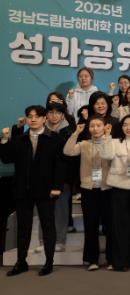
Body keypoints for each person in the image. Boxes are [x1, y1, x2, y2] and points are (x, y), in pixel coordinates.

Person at [2, 106, 66, 277]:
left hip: (46, 189)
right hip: (22, 190)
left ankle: (49, 261)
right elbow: (7, 158)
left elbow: (60, 166)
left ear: (44, 118)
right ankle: (21, 261)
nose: (33, 119)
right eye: (29, 116)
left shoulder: (55, 138)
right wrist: (5, 139)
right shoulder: (20, 139)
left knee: (48, 226)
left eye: (37, 116)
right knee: (23, 227)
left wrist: (57, 187)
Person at [64, 115, 113, 271]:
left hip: (107, 189)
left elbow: (109, 155)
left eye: (98, 125)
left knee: (110, 226)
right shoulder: (84, 144)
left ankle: (111, 259)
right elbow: (67, 151)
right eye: (92, 126)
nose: (95, 128)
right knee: (90, 225)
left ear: (105, 126)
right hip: (89, 189)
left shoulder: (112, 142)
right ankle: (92, 259)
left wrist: (107, 136)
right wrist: (75, 133)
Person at [99, 115, 130, 272]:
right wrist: (106, 136)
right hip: (119, 187)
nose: (128, 127)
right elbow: (105, 155)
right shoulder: (114, 142)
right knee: (120, 227)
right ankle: (121, 262)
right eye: (125, 124)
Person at [34, 102, 75, 255]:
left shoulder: (68, 133)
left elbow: (71, 161)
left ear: (63, 115)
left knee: (61, 211)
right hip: (43, 180)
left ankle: (59, 241)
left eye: (58, 113)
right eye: (51, 112)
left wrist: (67, 181)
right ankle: (43, 241)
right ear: (46, 115)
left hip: (62, 180)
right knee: (43, 211)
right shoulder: (39, 131)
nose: (54, 116)